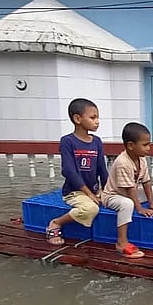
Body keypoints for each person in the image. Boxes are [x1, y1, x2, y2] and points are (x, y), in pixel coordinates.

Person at [46, 98, 109, 245]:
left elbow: (102, 169)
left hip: (94, 190)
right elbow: (69, 171)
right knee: (91, 209)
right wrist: (89, 194)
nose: (97, 121)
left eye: (98, 117)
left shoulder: (97, 141)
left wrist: (106, 191)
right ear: (77, 118)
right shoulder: (68, 141)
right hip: (75, 192)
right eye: (93, 117)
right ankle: (56, 223)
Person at [102, 122, 153, 259]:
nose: (148, 148)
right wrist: (139, 208)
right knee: (127, 204)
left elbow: (146, 182)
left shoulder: (141, 159)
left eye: (149, 144)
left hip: (128, 193)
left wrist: (151, 203)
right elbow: (130, 190)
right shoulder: (122, 162)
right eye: (145, 145)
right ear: (131, 145)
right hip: (112, 196)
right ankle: (121, 243)